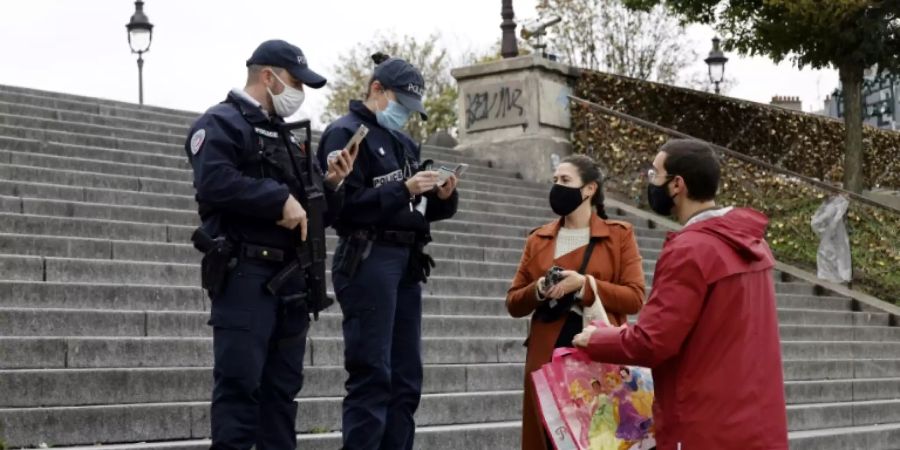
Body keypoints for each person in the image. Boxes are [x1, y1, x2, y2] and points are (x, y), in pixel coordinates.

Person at [184, 39, 357, 450]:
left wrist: (332, 185)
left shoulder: (290, 137)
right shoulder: (221, 123)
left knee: (281, 397)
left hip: (291, 281)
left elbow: (314, 212)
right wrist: (276, 199)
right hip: (245, 274)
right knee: (240, 390)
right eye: (295, 82)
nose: (299, 92)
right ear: (269, 76)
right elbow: (213, 181)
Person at [573, 139, 789, 449]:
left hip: (704, 427)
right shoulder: (751, 244)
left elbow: (653, 341)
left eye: (655, 173)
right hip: (756, 425)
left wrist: (597, 338)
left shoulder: (690, 250)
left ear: (677, 185)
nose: (651, 182)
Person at [317, 53, 459, 450]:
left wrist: (442, 197)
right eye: (401, 105)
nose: (405, 115)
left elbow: (417, 209)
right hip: (368, 256)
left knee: (406, 379)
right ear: (377, 90)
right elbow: (340, 208)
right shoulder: (344, 133)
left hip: (407, 259)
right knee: (372, 375)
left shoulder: (403, 140)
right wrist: (403, 189)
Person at [506, 154, 646, 450]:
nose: (557, 186)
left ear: (589, 189)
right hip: (546, 351)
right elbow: (514, 302)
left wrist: (585, 286)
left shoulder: (619, 235)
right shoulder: (538, 238)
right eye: (555, 180)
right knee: (549, 437)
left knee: (600, 438)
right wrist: (540, 288)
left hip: (598, 351)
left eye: (565, 180)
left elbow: (635, 298)